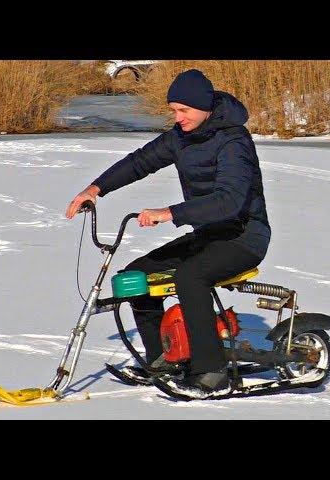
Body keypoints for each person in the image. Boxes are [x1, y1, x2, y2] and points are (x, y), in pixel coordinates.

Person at [66, 69, 271, 392]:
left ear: (204, 107)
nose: (177, 117)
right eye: (174, 110)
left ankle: (211, 371)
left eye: (184, 110)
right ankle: (162, 360)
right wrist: (95, 188)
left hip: (244, 237)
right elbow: (140, 162)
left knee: (190, 277)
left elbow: (229, 201)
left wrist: (169, 213)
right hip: (208, 236)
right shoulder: (180, 137)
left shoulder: (234, 141)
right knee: (136, 277)